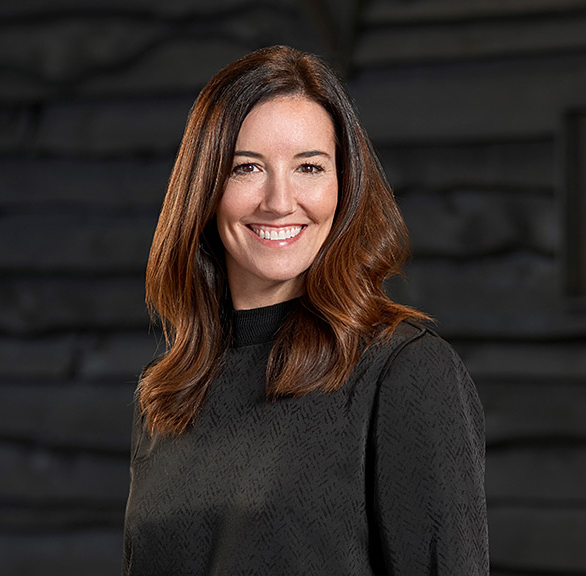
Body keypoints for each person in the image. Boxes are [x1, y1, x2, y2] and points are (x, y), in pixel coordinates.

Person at [123, 45, 488, 575]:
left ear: (344, 187)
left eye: (309, 167)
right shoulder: (169, 392)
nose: (279, 200)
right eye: (247, 167)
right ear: (204, 190)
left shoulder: (405, 373)